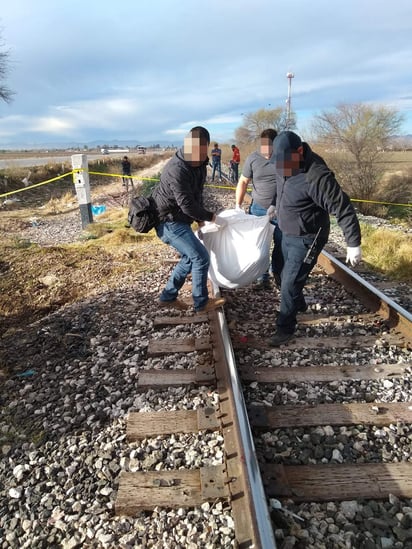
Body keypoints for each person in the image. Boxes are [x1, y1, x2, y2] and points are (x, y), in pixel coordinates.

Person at [267, 130, 362, 346]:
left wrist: (353, 243)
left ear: (299, 151)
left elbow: (343, 208)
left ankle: (285, 327)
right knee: (279, 272)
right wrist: (274, 204)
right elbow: (281, 186)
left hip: (307, 237)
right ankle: (297, 303)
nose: (281, 168)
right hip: (285, 231)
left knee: (290, 283)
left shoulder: (317, 176)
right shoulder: (285, 163)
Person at [151, 126, 227, 312]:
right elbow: (187, 205)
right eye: (195, 152)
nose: (198, 157)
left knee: (188, 258)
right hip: (167, 221)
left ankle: (168, 297)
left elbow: (198, 194)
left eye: (202, 153)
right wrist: (212, 217)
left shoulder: (200, 164)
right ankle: (201, 303)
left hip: (180, 218)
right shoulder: (176, 169)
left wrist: (201, 222)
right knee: (200, 257)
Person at [235, 128, 283, 289]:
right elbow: (243, 182)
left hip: (280, 210)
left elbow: (290, 183)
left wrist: (277, 204)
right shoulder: (253, 159)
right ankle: (263, 279)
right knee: (260, 246)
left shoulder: (284, 158)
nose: (267, 152)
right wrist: (238, 205)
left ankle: (276, 272)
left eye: (271, 148)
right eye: (265, 148)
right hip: (258, 209)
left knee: (281, 243)